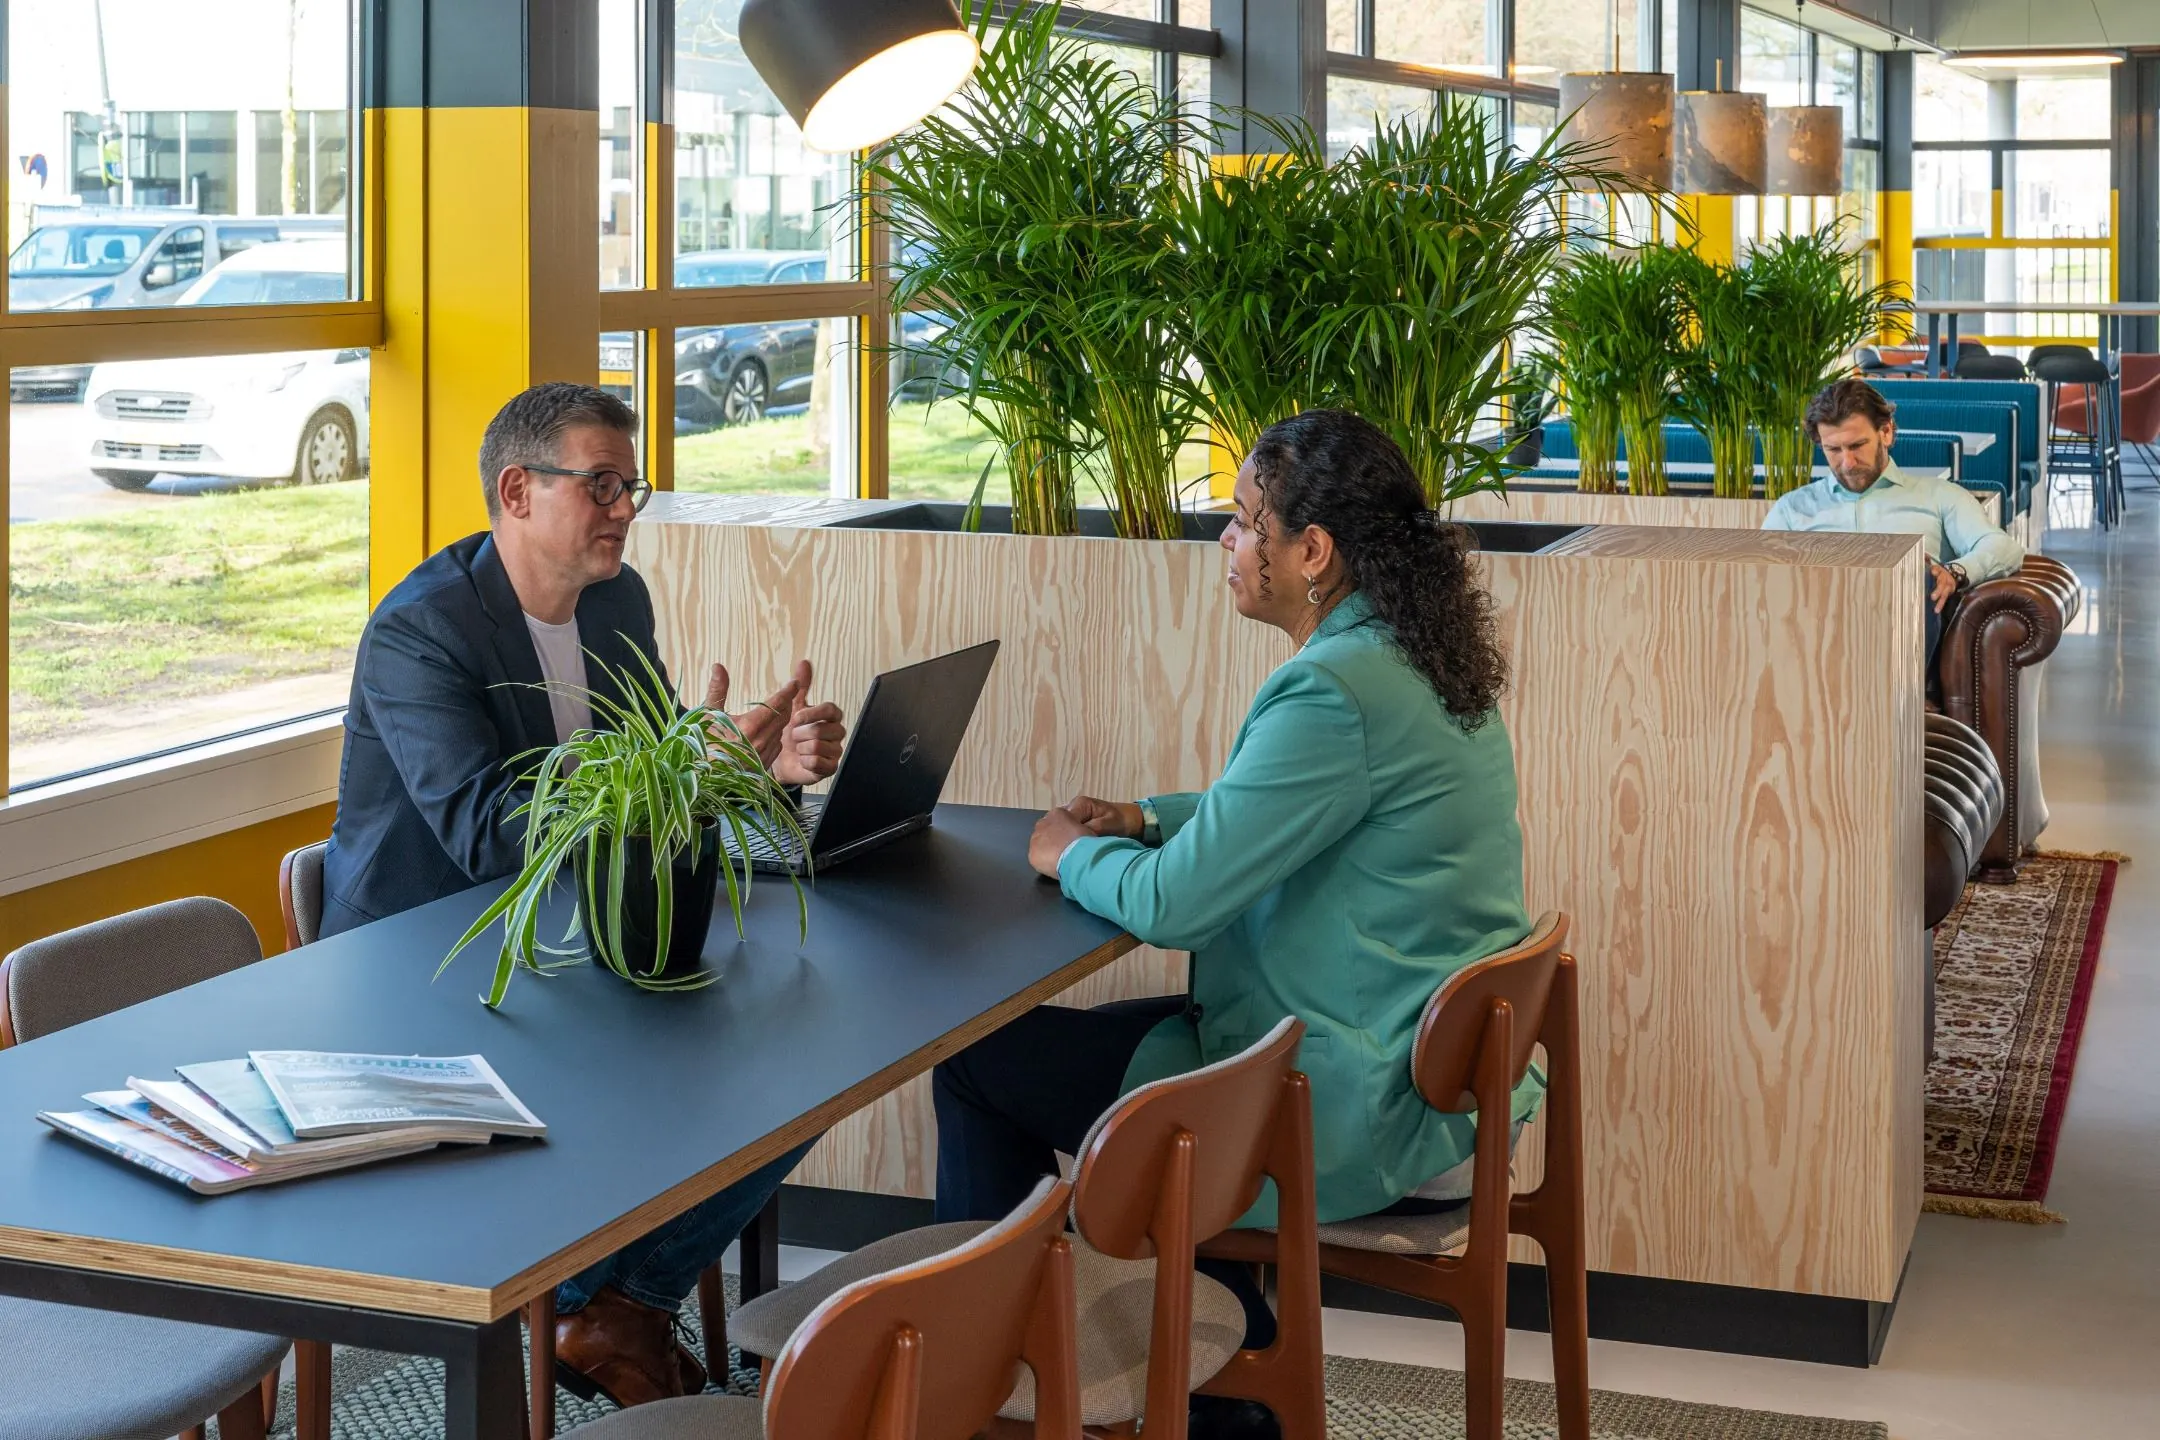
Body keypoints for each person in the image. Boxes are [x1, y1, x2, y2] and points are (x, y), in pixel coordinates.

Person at [932, 409, 1540, 1437]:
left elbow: (1177, 904)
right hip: (1433, 1081)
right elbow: (1284, 812)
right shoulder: (1411, 657)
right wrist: (1146, 818)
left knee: (977, 1066)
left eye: (1244, 518)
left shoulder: (1334, 690)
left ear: (1313, 551)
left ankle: (990, 1384)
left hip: (1352, 1099)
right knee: (1118, 1072)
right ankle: (1228, 1391)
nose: (1224, 539)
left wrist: (1068, 854)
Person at [322, 382, 846, 1410]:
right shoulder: (420, 632)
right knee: (688, 1073)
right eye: (601, 485)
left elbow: (653, 772)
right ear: (518, 491)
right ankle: (596, 1306)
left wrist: (762, 768)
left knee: (806, 1067)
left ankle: (614, 1306)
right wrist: (688, 772)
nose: (624, 509)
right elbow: (489, 833)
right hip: (423, 970)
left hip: (567, 940)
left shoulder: (615, 602)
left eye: (630, 487)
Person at [1764, 377, 2024, 665]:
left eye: (1857, 445)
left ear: (1886, 432)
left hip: (1901, 649)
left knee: (1919, 571)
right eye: (1833, 450)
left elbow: (2002, 547)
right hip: (1811, 647)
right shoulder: (1792, 508)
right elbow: (1758, 581)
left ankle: (1893, 685)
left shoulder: (1940, 496)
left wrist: (1954, 572)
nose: (1847, 463)